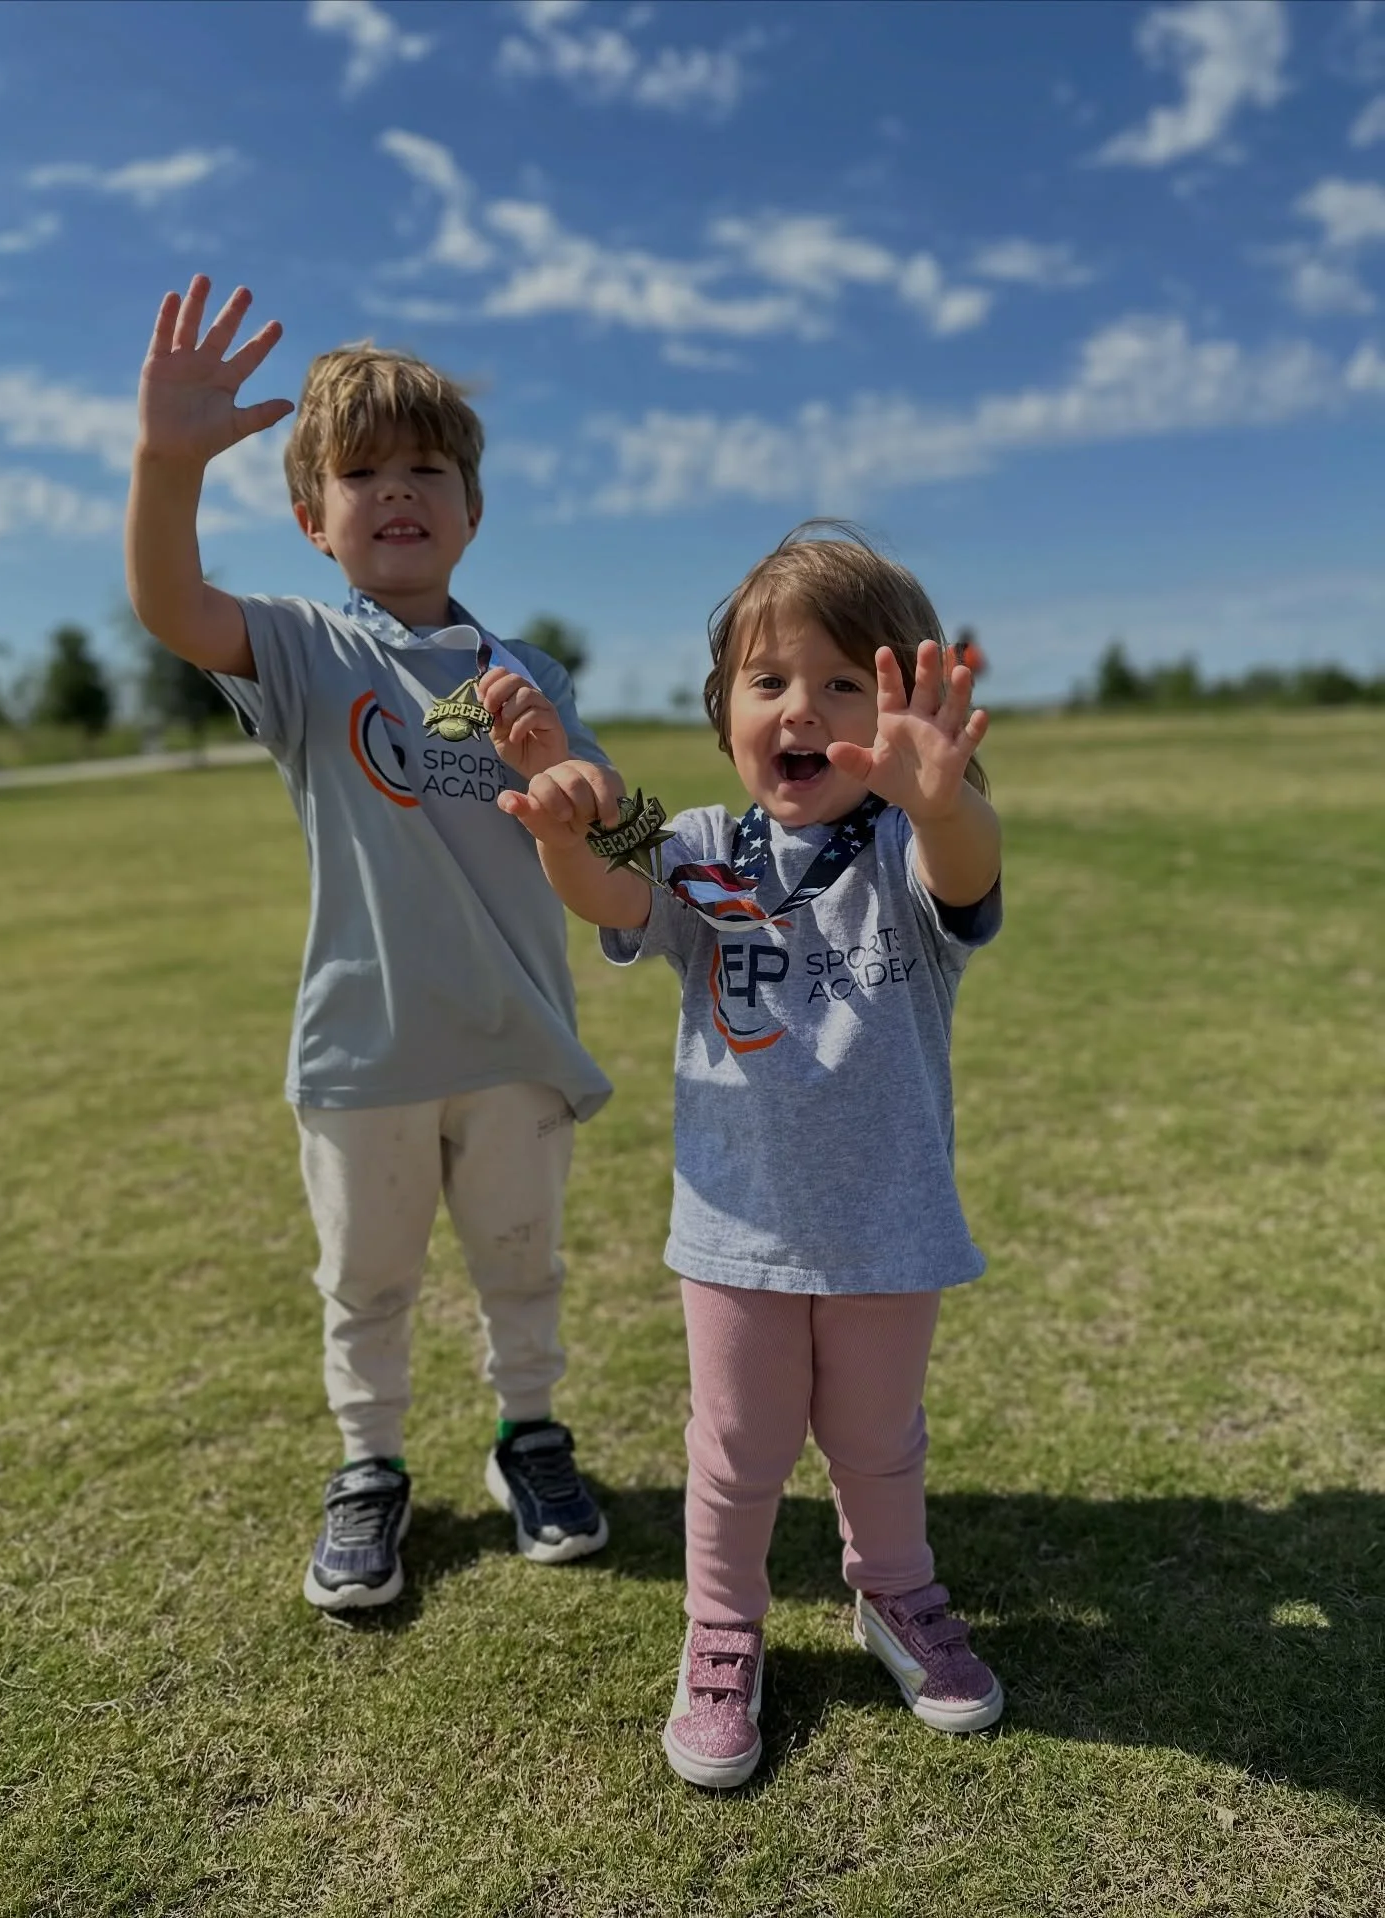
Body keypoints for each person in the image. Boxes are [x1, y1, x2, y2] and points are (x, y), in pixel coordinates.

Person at [125, 275, 616, 1612]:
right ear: (313, 518)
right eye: (362, 472)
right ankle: (369, 1467)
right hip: (365, 1048)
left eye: (427, 466)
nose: (398, 489)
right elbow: (175, 605)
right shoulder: (303, 650)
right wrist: (167, 465)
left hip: (515, 1037)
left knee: (523, 1259)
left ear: (471, 505)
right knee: (367, 1279)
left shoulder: (525, 674)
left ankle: (532, 1434)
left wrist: (561, 776)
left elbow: (599, 824)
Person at [500, 525, 1005, 1786]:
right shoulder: (702, 850)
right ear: (722, 707)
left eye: (845, 682)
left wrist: (944, 797)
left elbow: (968, 873)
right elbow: (617, 902)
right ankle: (723, 1633)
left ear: (894, 712)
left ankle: (895, 1591)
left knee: (880, 1437)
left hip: (891, 1224)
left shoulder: (902, 849)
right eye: (769, 679)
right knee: (737, 1448)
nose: (804, 709)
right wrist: (567, 831)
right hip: (736, 1228)